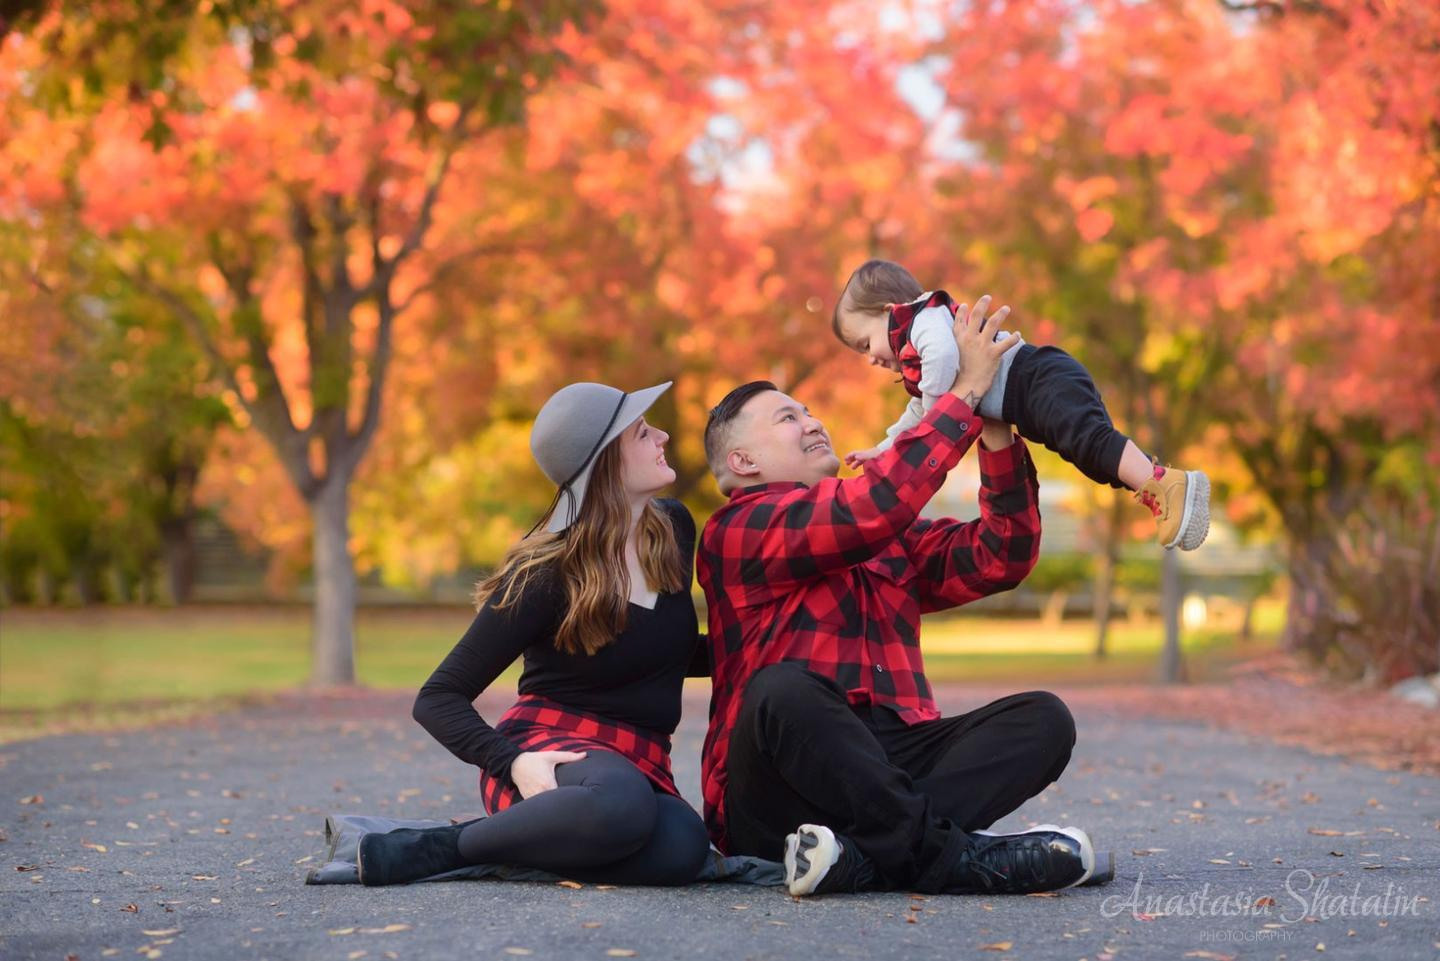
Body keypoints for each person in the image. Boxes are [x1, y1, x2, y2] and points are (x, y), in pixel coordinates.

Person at [698, 297, 1112, 897]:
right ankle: (953, 857)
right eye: (788, 419)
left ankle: (864, 860)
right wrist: (963, 393)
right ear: (743, 461)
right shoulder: (736, 530)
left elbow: (1002, 555)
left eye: (809, 411)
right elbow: (872, 507)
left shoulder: (879, 533)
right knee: (782, 689)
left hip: (888, 759)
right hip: (778, 786)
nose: (813, 421)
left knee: (1042, 719)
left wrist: (996, 431)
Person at [356, 381, 711, 887]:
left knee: (684, 849)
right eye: (642, 433)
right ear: (606, 463)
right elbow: (437, 698)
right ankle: (438, 848)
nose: (663, 435)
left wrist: (767, 649)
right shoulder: (546, 573)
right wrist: (514, 762)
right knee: (622, 805)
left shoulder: (672, 530)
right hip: (551, 752)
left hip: (639, 755)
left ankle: (525, 845)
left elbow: (663, 653)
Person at [833, 258, 1209, 551]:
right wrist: (884, 450)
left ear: (887, 310)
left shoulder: (923, 320)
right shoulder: (919, 362)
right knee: (1094, 458)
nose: (869, 359)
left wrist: (938, 409)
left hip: (1036, 378)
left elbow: (945, 362)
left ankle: (1168, 485)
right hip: (1029, 397)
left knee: (1088, 439)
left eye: (865, 344)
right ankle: (1161, 490)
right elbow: (917, 416)